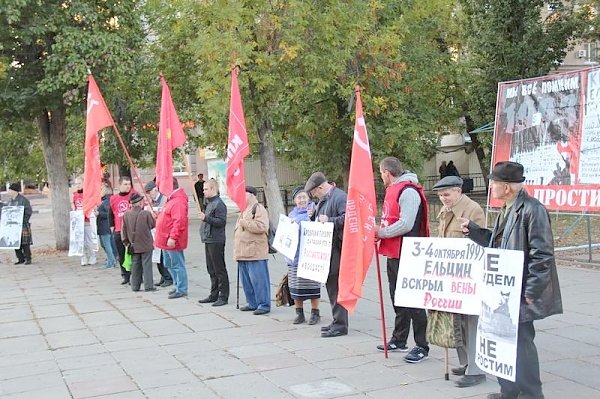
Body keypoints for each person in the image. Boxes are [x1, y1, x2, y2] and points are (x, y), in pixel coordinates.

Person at [459, 161, 563, 399]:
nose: (490, 186)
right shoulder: (509, 207)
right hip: (505, 289)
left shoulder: (532, 209)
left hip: (521, 291)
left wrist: (530, 291)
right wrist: (474, 231)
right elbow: (499, 244)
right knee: (504, 342)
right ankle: (509, 391)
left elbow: (543, 255)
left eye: (493, 182)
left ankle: (531, 394)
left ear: (506, 187)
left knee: (521, 345)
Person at [431, 175, 486, 387]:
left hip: (468, 276)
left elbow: (480, 242)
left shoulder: (473, 210)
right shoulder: (446, 211)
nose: (443, 198)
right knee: (458, 322)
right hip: (451, 275)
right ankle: (465, 362)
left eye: (446, 194)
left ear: (458, 191)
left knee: (471, 322)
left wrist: (470, 230)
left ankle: (476, 368)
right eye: (440, 195)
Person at [376, 157, 430, 362]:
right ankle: (399, 339)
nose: (381, 176)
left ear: (387, 172)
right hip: (394, 252)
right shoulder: (395, 189)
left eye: (381, 172)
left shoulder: (408, 191)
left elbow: (406, 223)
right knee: (397, 297)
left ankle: (422, 345)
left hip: (409, 252)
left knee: (413, 300)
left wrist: (382, 232)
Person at [304, 172, 347, 338]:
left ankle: (341, 324)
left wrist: (328, 220)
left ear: (321, 187)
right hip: (326, 249)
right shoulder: (325, 198)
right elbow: (321, 217)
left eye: (314, 192)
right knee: (330, 285)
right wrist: (313, 215)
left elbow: (347, 218)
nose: (314, 196)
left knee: (335, 286)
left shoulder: (340, 197)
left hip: (336, 248)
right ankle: (337, 320)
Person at [285, 186, 320, 325]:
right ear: (294, 200)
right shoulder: (291, 215)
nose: (302, 200)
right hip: (294, 257)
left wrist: (313, 217)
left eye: (304, 197)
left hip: (310, 255)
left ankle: (315, 313)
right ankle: (299, 313)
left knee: (312, 285)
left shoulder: (315, 210)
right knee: (296, 286)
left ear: (308, 198)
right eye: (299, 197)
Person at [234, 186, 271, 315]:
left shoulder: (258, 208)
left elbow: (262, 226)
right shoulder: (243, 209)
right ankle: (252, 302)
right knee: (247, 281)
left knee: (259, 280)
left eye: (243, 194)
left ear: (251, 195)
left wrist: (245, 223)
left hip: (255, 251)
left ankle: (263, 304)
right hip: (243, 252)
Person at [154, 177, 189, 299]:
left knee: (177, 264)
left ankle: (181, 288)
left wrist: (173, 237)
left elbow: (179, 221)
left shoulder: (178, 201)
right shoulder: (171, 200)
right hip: (165, 239)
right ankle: (177, 284)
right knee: (169, 263)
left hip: (171, 240)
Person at [198, 178, 229, 307]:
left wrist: (206, 218)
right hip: (208, 238)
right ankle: (214, 294)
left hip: (216, 240)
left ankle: (223, 296)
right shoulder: (209, 203)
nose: (203, 191)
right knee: (211, 269)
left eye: (205, 189)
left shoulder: (219, 204)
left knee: (219, 269)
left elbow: (221, 222)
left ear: (213, 189)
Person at [122, 193, 156, 292]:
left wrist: (126, 242)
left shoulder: (126, 214)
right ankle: (148, 286)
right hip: (145, 243)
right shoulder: (146, 214)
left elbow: (123, 229)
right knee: (147, 265)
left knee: (135, 265)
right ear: (140, 202)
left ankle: (135, 286)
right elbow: (152, 225)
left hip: (133, 244)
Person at [144, 181, 173, 288]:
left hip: (164, 231)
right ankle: (163, 276)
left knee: (163, 256)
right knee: (157, 256)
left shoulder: (164, 199)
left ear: (155, 190)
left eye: (150, 192)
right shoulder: (150, 201)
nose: (149, 195)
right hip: (154, 231)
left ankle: (168, 277)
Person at [109, 176, 134, 285]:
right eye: (125, 184)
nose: (128, 186)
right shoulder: (113, 198)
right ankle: (125, 275)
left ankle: (135, 275)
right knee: (121, 254)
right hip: (119, 230)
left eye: (129, 184)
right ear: (120, 185)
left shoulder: (133, 196)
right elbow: (110, 213)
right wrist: (112, 227)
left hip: (131, 231)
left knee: (132, 254)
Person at [72, 176, 97, 266]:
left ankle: (92, 256)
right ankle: (83, 257)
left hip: (87, 220)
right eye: (76, 183)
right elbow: (74, 206)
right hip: (78, 220)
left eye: (79, 183)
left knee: (88, 240)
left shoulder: (87, 194)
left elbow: (92, 206)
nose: (78, 185)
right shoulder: (74, 195)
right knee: (80, 240)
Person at [7, 182, 33, 264]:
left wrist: (23, 219)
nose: (8, 191)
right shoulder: (10, 201)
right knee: (15, 242)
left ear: (14, 191)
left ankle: (28, 258)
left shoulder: (23, 200)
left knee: (25, 243)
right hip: (13, 225)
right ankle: (20, 258)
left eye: (10, 190)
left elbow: (29, 211)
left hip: (22, 224)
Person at [97, 183, 117, 269]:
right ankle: (111, 260)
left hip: (105, 226)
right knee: (105, 244)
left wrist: (98, 213)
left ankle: (111, 261)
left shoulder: (106, 201)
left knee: (107, 245)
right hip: (104, 226)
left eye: (101, 189)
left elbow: (108, 214)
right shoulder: (106, 200)